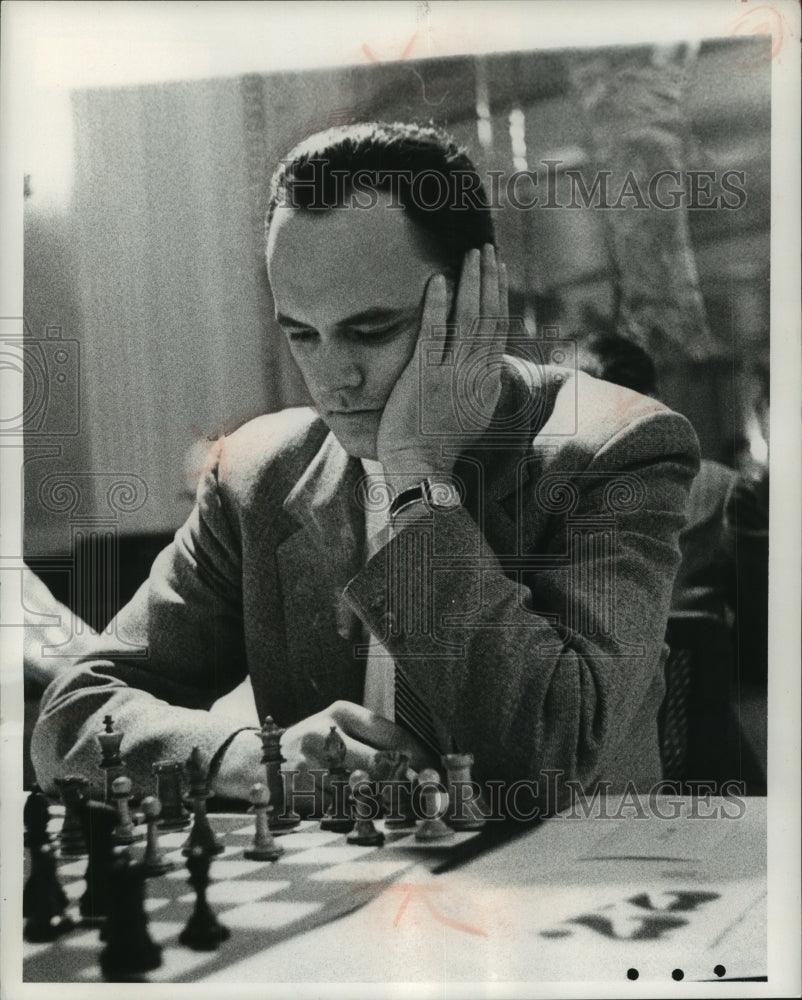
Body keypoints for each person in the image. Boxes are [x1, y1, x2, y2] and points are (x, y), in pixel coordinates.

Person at [32, 122, 699, 815]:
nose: (333, 377)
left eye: (372, 330)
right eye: (302, 334)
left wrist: (417, 477)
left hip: (576, 895)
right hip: (354, 900)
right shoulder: (258, 475)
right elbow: (72, 717)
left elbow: (545, 758)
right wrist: (254, 762)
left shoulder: (621, 449)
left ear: (480, 300)